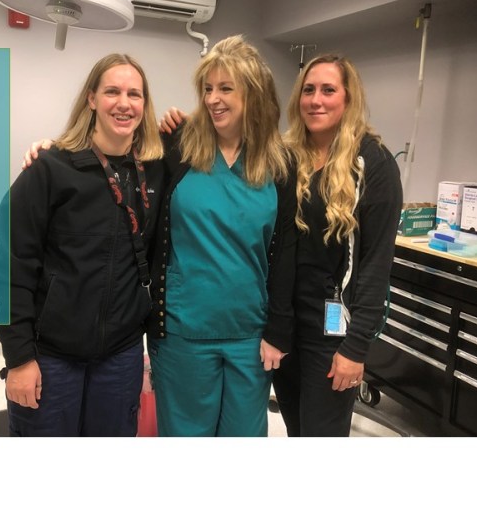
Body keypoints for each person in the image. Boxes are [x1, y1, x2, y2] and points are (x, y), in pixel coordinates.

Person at [25, 35, 296, 437]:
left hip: (250, 335)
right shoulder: (179, 145)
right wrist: (53, 150)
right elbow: (111, 145)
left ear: (253, 93)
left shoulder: (280, 162)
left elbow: (285, 250)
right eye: (207, 88)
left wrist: (278, 330)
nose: (213, 99)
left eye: (225, 88)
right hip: (182, 331)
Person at [0, 53, 165, 436]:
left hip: (120, 356)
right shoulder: (50, 168)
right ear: (91, 99)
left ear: (145, 103)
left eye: (134, 94)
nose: (124, 103)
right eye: (112, 92)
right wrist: (19, 358)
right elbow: (9, 267)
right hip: (50, 356)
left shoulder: (155, 170)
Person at [271, 54, 402, 436]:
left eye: (328, 90)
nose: (316, 100)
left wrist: (356, 348)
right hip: (285, 324)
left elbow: (377, 263)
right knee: (297, 429)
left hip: (332, 332)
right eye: (308, 90)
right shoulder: (287, 155)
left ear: (348, 98)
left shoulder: (373, 163)